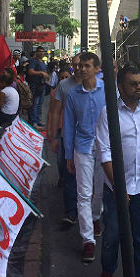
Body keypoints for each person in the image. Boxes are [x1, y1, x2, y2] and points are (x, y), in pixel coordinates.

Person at [95, 65, 140, 277]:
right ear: (120, 87)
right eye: (133, 84)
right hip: (115, 189)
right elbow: (104, 153)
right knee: (112, 237)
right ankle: (107, 271)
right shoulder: (108, 113)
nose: (139, 87)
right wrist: (118, 187)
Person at [63, 52, 106, 262]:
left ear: (97, 69)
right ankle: (88, 240)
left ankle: (96, 216)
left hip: (104, 148)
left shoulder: (109, 91)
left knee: (99, 192)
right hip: (82, 148)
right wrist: (68, 155)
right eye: (79, 66)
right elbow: (69, 125)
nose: (81, 69)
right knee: (83, 194)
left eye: (86, 66)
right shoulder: (72, 94)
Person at [48, 56, 81, 224]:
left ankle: (89, 213)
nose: (78, 68)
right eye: (74, 65)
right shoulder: (63, 86)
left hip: (88, 141)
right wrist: (52, 136)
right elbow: (54, 112)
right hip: (66, 137)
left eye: (81, 65)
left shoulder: (97, 86)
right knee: (68, 172)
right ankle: (71, 211)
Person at [27, 46, 49, 129]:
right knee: (34, 104)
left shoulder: (43, 62)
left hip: (42, 86)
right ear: (36, 52)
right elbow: (30, 71)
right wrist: (41, 73)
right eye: (40, 51)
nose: (41, 53)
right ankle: (33, 122)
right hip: (35, 86)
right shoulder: (33, 61)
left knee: (40, 104)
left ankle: (38, 120)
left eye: (43, 51)